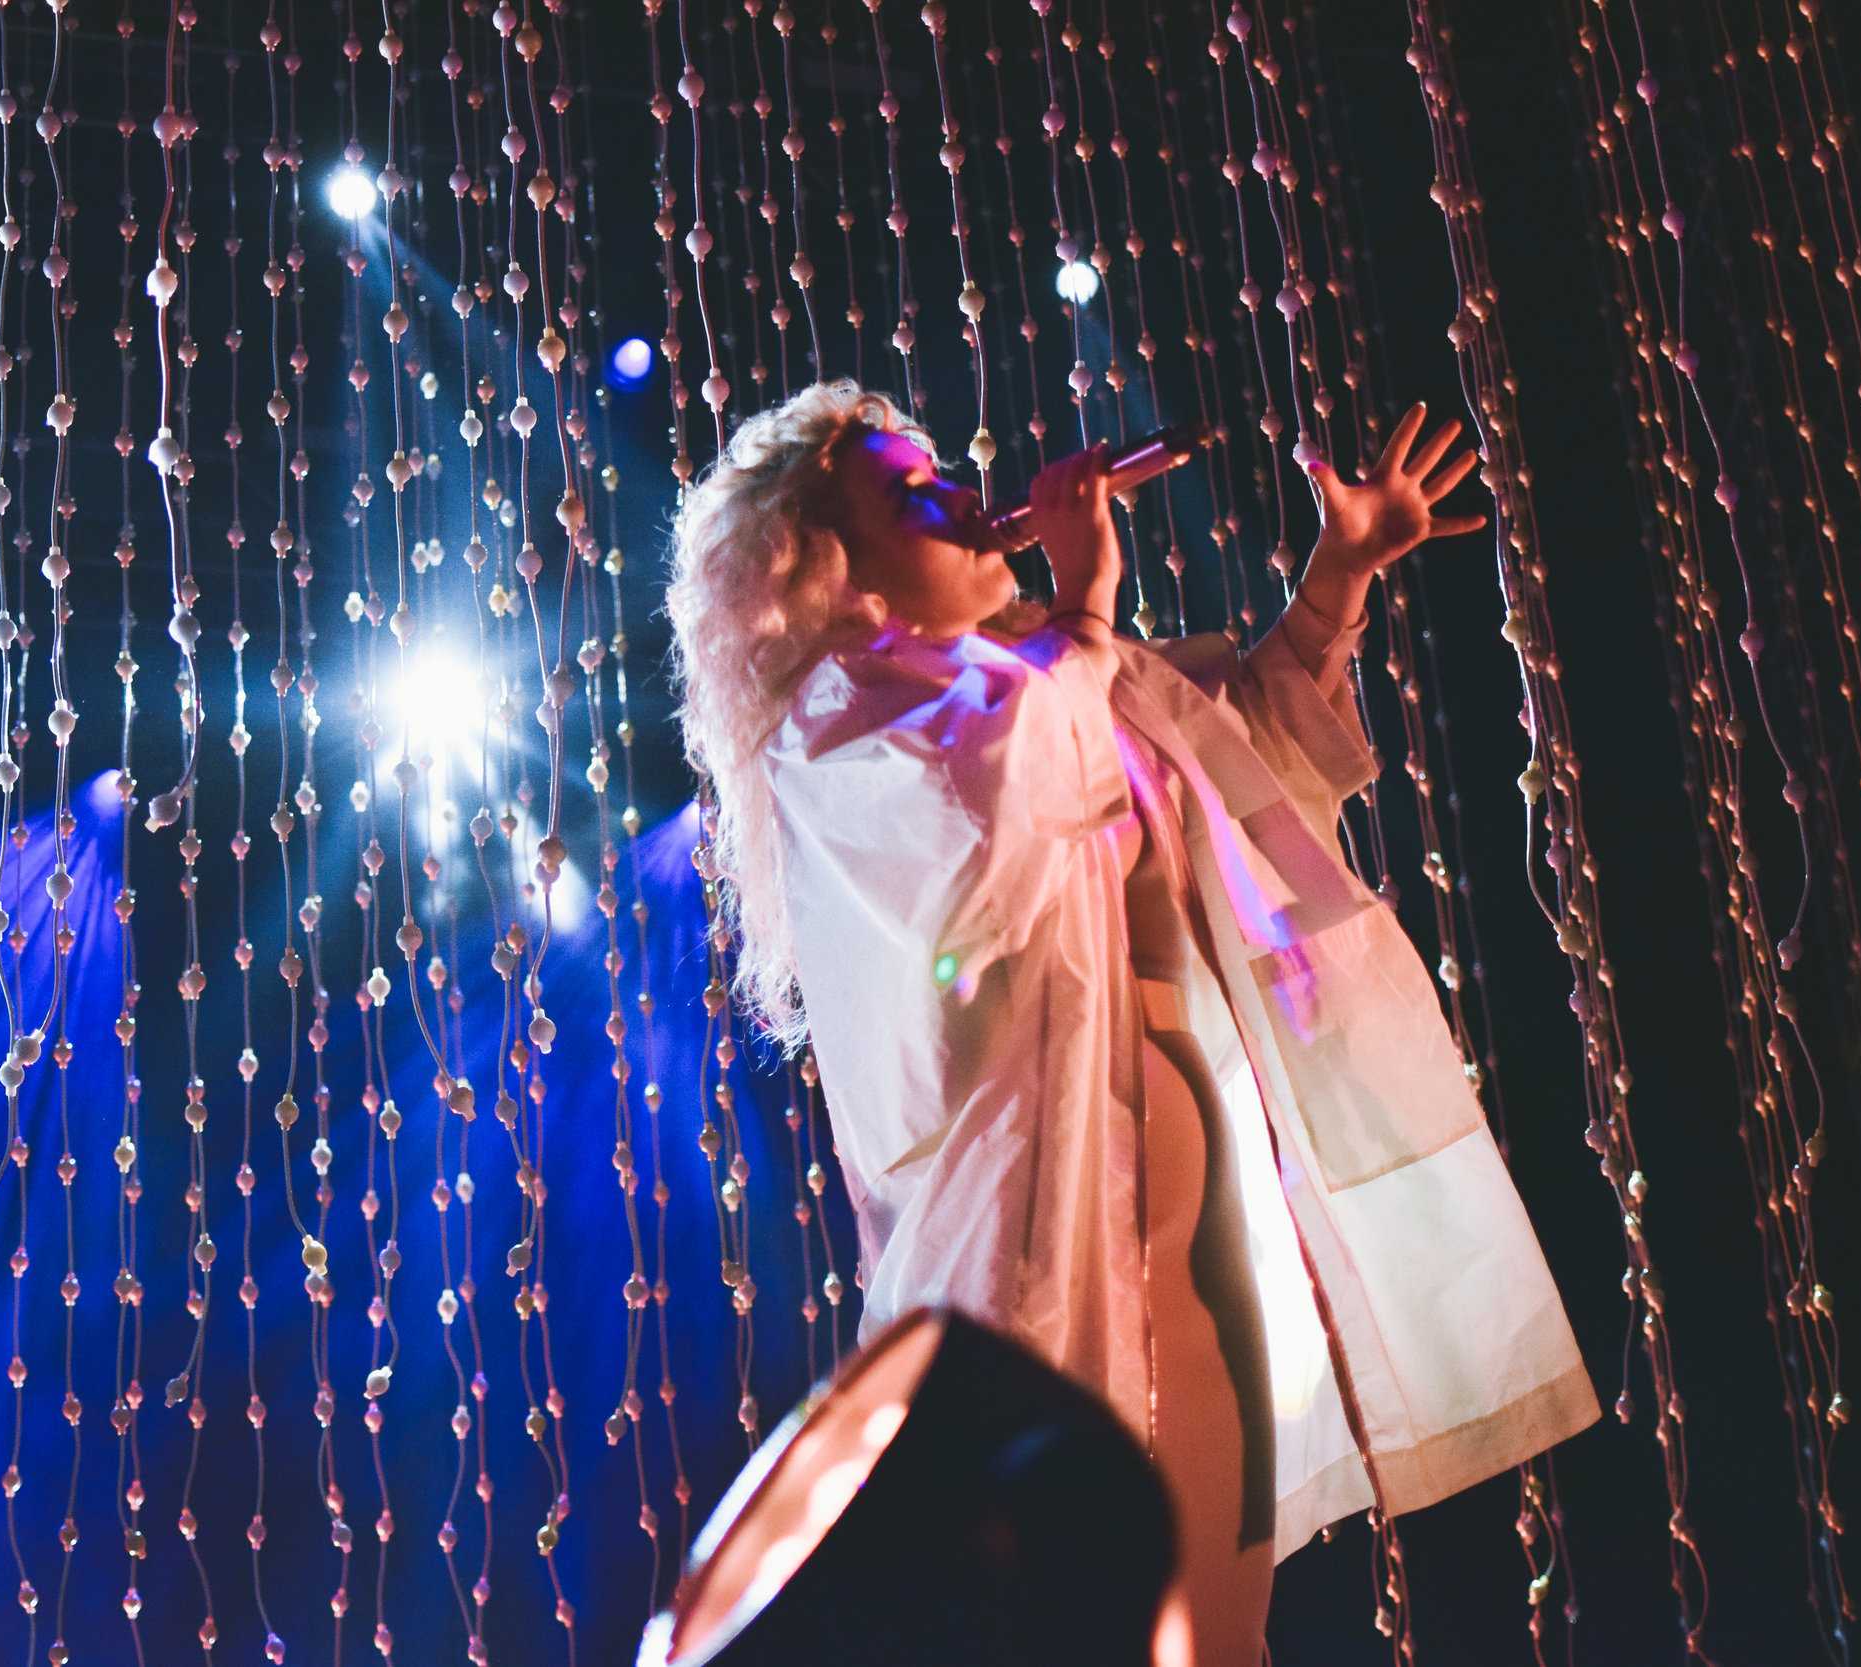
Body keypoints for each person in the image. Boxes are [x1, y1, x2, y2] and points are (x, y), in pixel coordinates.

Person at [664, 383, 1597, 1667]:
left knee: (1209, 1597)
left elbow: (1253, 748)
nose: (961, 497)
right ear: (840, 576)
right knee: (1083, 1591)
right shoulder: (844, 721)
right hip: (1053, 1227)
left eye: (942, 467)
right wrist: (1089, 599)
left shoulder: (1068, 673)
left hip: (1200, 1186)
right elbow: (984, 828)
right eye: (909, 492)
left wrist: (1335, 573)